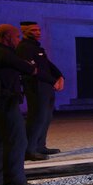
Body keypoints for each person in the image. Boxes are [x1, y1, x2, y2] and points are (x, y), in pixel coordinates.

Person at [0, 24, 43, 185]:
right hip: (4, 102)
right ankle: (15, 183)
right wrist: (29, 64)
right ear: (7, 37)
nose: (18, 40)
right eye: (16, 37)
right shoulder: (5, 54)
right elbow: (31, 69)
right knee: (17, 141)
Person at [16, 21, 64, 161]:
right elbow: (33, 70)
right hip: (36, 87)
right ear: (24, 31)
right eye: (33, 30)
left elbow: (47, 64)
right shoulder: (24, 48)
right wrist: (53, 80)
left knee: (46, 117)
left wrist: (60, 76)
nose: (38, 32)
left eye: (38, 30)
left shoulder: (37, 48)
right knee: (36, 118)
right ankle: (29, 150)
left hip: (45, 87)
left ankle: (40, 146)